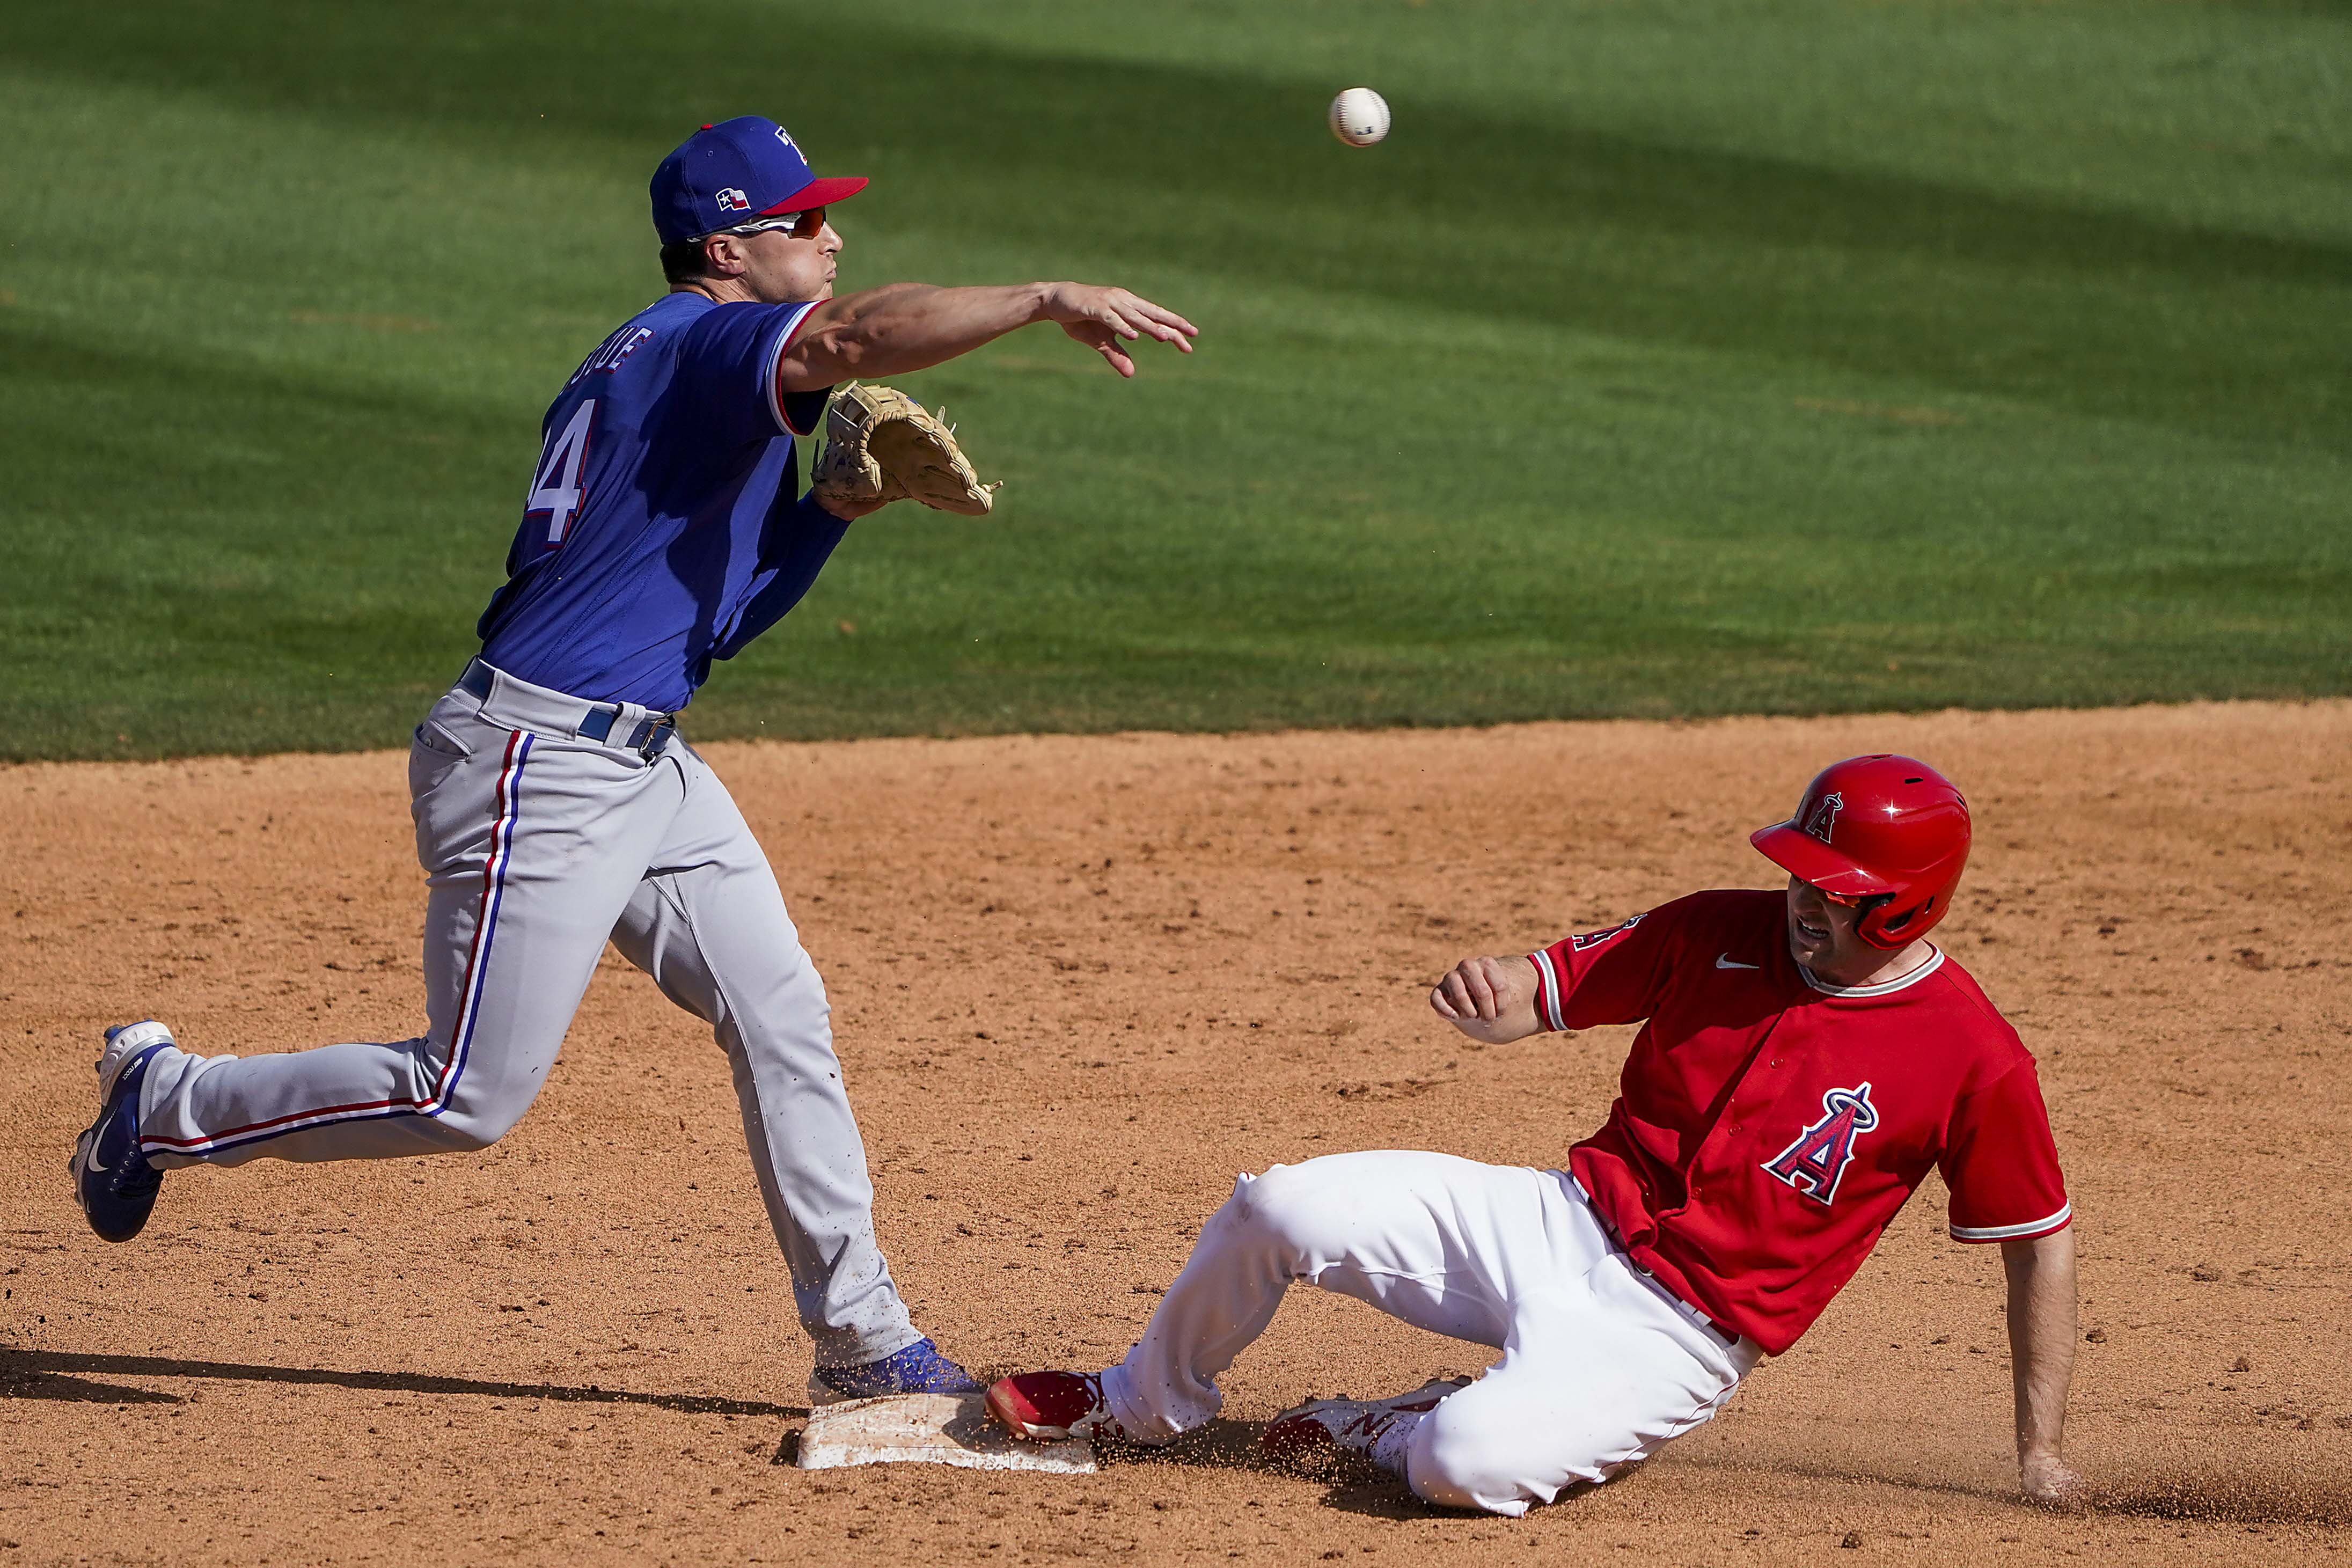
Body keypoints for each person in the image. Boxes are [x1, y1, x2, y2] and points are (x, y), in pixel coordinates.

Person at [70, 114, 1196, 1404]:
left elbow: (712, 626)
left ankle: (864, 1342)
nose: (833, 241)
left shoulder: (670, 374)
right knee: (462, 1094)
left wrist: (829, 510)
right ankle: (163, 1102)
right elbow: (852, 336)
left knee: (782, 1017)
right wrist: (1046, 295)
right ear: (727, 248)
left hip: (644, 762)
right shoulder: (704, 345)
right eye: (806, 225)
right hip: (535, 761)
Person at [988, 755, 2083, 1514]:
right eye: (1799, 871)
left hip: (1678, 1340)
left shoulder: (1972, 1056)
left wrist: (2037, 1457)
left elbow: (2038, 1237)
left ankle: (1395, 1425)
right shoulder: (1717, 929)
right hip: (1560, 1225)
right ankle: (1138, 1404)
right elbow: (1541, 991)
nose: (1801, 897)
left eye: (1833, 889)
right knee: (1279, 1205)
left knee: (1461, 1466)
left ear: (1903, 907)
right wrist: (1488, 996)